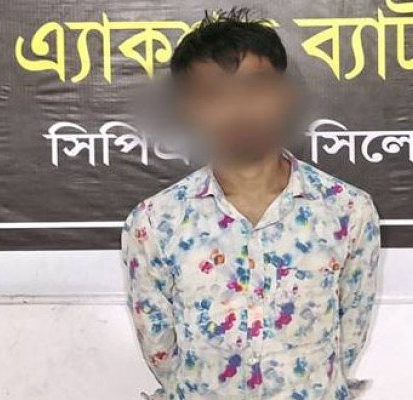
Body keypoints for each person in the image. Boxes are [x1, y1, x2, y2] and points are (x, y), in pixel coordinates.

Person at [121, 8, 381, 400]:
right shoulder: (156, 223)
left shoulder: (348, 210)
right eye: (214, 95)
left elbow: (350, 331)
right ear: (189, 108)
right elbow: (161, 351)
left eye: (254, 88)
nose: (238, 110)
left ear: (285, 95)